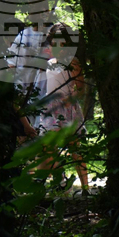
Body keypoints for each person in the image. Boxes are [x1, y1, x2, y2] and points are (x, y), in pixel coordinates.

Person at [33, 23, 90, 193]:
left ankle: (86, 187)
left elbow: (80, 89)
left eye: (63, 44)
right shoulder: (50, 62)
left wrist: (67, 101)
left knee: (75, 149)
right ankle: (43, 183)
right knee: (46, 145)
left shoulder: (73, 63)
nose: (59, 48)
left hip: (67, 109)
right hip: (50, 109)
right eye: (54, 43)